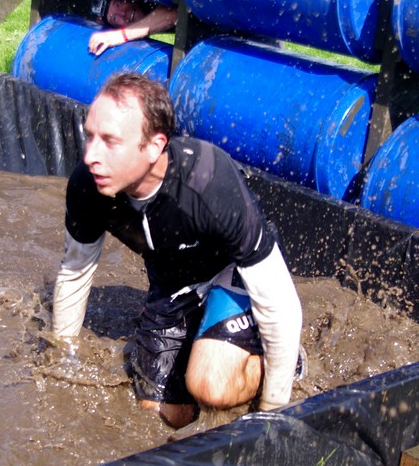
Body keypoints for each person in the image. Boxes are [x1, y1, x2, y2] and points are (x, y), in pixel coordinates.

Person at [51, 72, 305, 439]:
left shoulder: (209, 182)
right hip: (176, 281)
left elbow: (279, 302)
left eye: (110, 141)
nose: (90, 156)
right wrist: (63, 356)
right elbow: (75, 271)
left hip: (233, 273)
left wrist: (273, 414)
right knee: (162, 413)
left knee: (211, 385)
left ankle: (284, 361)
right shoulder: (88, 185)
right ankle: (201, 340)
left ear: (154, 146)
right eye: (89, 136)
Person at [87, 0, 178, 57]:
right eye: (115, 18)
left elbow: (172, 14)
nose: (123, 13)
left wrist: (122, 35)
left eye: (118, 5)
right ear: (116, 28)